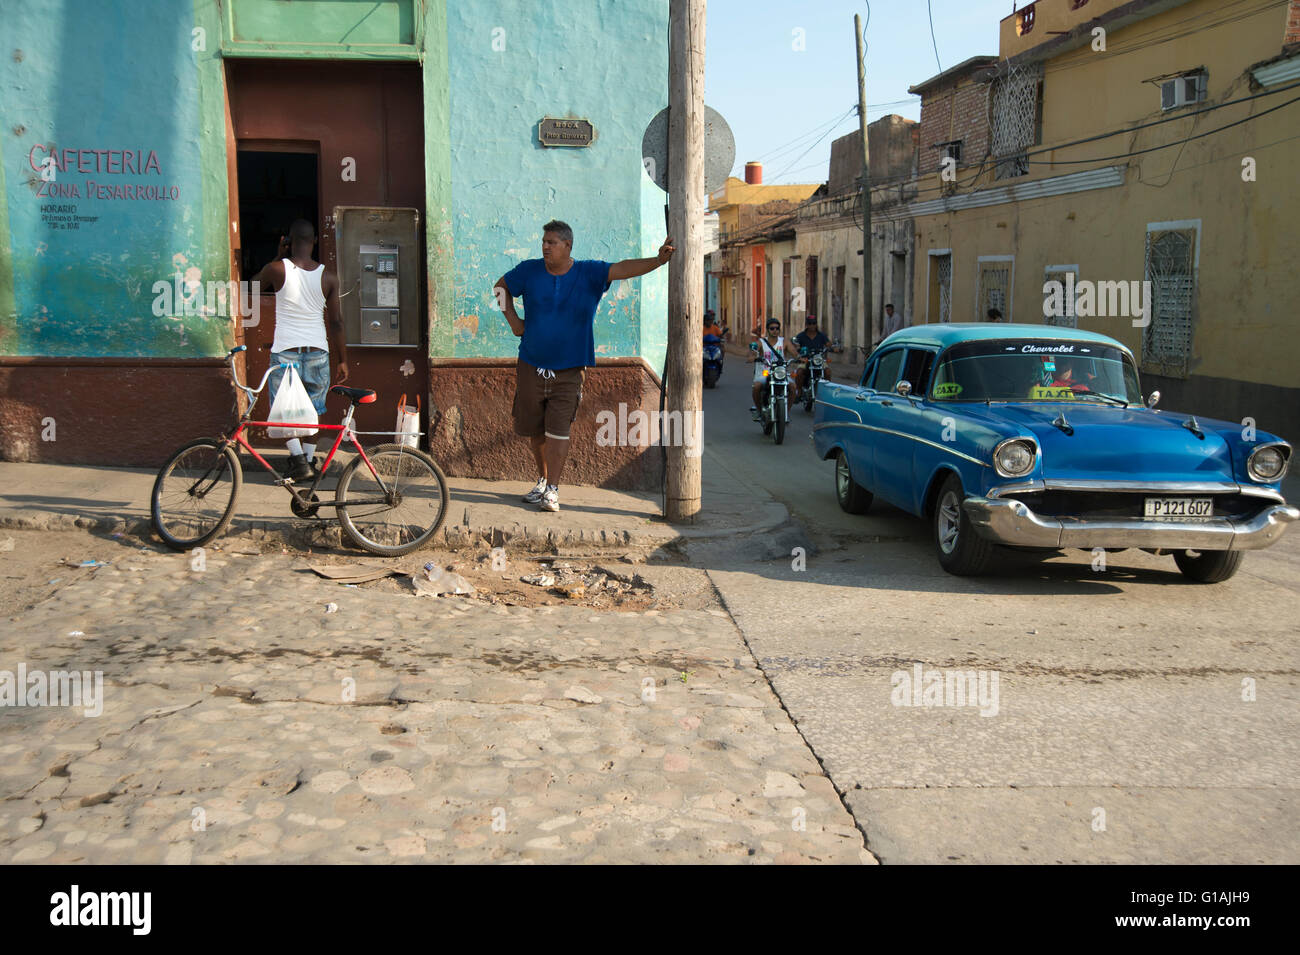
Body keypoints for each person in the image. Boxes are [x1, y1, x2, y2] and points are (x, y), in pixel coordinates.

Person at [495, 220, 673, 512]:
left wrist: (658, 260)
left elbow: (623, 268)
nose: (545, 246)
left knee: (559, 429)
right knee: (535, 430)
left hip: (570, 369)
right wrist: (514, 322)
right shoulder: (528, 270)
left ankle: (552, 489)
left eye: (552, 242)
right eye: (544, 241)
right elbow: (501, 287)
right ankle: (541, 479)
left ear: (568, 245)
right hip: (530, 364)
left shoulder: (588, 272)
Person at [251, 219, 347, 482]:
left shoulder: (275, 270)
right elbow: (336, 322)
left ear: (288, 240)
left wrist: (277, 256)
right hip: (318, 352)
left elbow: (253, 287)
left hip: (285, 353)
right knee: (313, 411)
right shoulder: (328, 276)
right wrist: (342, 361)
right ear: (314, 241)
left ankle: (298, 462)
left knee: (284, 410)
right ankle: (306, 462)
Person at [750, 318, 799, 418]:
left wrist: (799, 357)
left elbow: (794, 352)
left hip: (780, 372)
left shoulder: (784, 341)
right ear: (768, 330)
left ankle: (786, 413)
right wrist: (752, 357)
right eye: (772, 328)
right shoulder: (761, 342)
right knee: (756, 387)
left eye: (777, 328)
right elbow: (752, 353)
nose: (775, 330)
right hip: (765, 372)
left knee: (793, 387)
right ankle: (759, 411)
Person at [792, 314, 831, 402]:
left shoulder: (821, 335)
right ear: (806, 324)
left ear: (816, 324)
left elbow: (828, 343)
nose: (812, 325)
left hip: (818, 359)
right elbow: (795, 344)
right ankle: (799, 392)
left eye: (814, 323)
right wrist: (797, 348)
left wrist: (833, 347)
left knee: (828, 371)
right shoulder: (801, 336)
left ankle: (827, 393)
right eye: (810, 323)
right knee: (799, 372)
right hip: (805, 360)